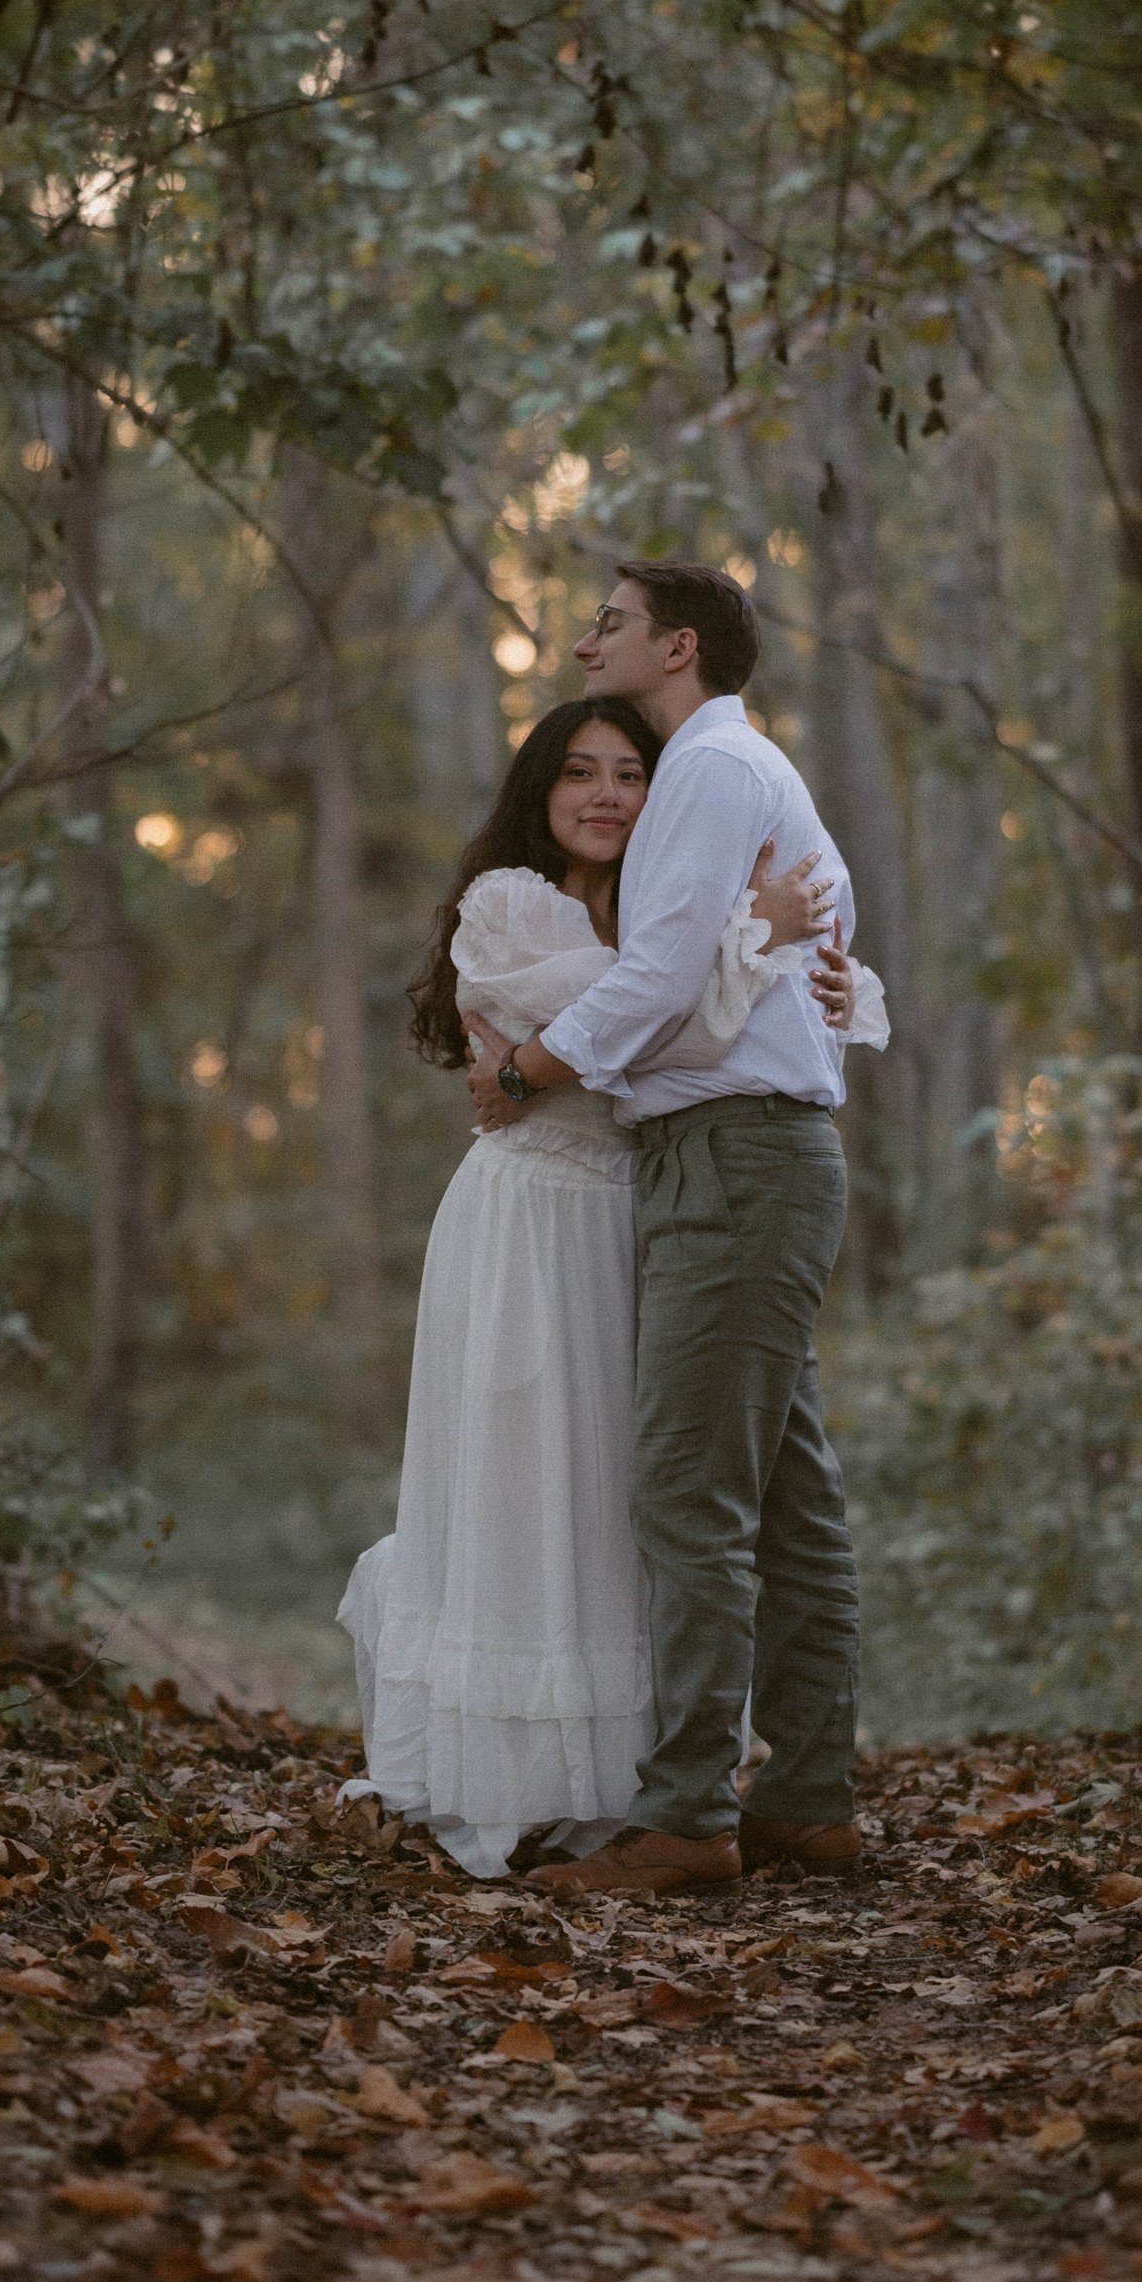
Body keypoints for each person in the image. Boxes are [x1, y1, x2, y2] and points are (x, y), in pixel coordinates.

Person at [339, 692, 881, 1879]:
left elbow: (689, 1006)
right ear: (539, 791)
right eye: (577, 772)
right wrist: (751, 935)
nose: (604, 796)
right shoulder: (509, 905)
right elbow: (637, 1021)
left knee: (626, 1500)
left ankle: (631, 1783)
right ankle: (523, 1776)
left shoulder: (665, 905)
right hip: (528, 1224)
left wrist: (797, 961)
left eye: (630, 775)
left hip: (641, 1215)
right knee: (534, 1478)